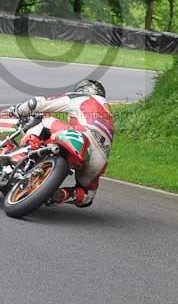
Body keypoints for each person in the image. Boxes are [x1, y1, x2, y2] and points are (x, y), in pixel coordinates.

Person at [9, 79, 112, 208]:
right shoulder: (108, 112)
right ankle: (62, 194)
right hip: (99, 160)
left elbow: (38, 103)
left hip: (81, 137)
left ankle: (26, 151)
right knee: (87, 195)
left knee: (44, 120)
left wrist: (18, 110)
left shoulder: (83, 97)